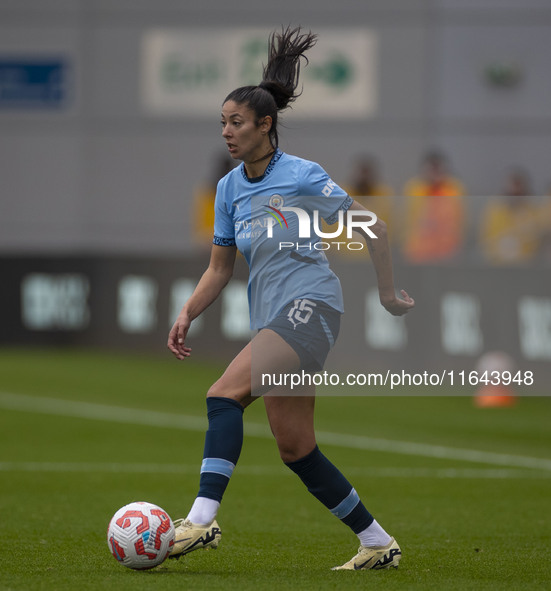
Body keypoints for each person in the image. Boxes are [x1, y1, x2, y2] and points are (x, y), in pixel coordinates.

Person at [167, 26, 414, 572]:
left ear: (265, 124)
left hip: (311, 307)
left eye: (236, 123)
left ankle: (201, 520)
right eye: (223, 124)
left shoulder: (303, 177)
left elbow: (372, 228)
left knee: (223, 395)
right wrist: (187, 311)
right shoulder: (230, 188)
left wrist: (388, 292)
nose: (227, 133)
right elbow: (218, 267)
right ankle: (377, 542)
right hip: (273, 319)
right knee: (296, 448)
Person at [402, 150, 466, 264]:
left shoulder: (454, 188)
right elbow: (408, 220)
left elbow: (458, 220)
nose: (434, 172)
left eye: (437, 168)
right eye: (431, 168)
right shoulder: (414, 188)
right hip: (419, 252)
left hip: (447, 251)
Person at [479, 168, 540, 265]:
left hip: (525, 265)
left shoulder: (532, 211)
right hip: (497, 263)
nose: (514, 197)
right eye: (511, 193)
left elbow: (535, 242)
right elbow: (486, 240)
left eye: (518, 194)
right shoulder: (495, 209)